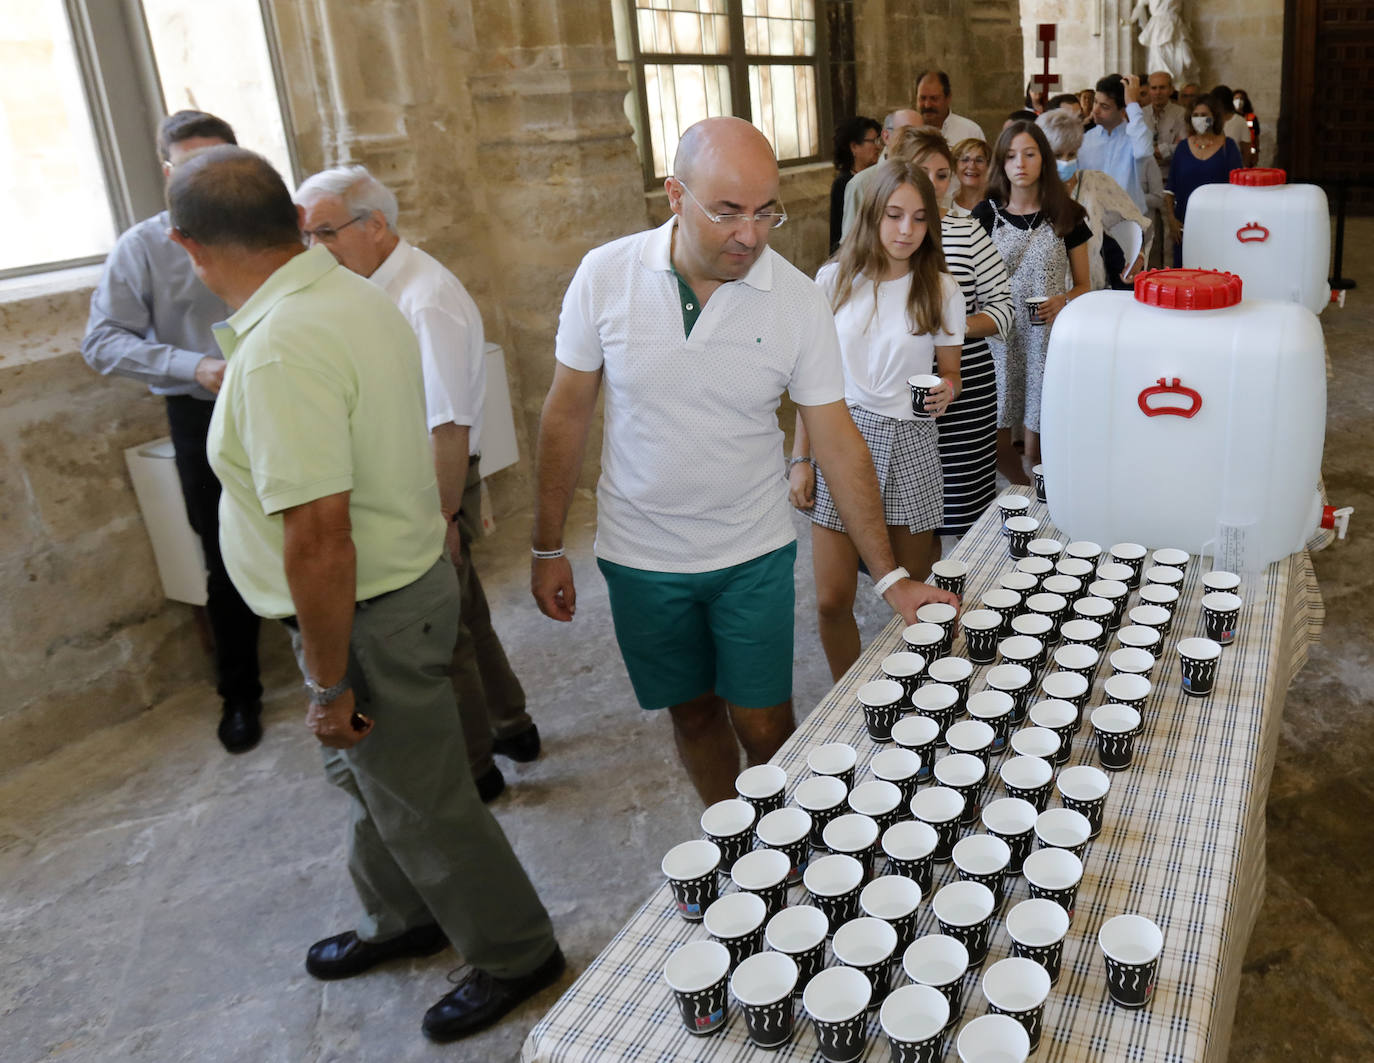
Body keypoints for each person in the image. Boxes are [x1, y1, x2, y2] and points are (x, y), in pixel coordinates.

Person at [169, 146, 564, 1043]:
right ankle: (404, 915)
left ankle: (515, 948)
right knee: (371, 780)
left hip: (369, 609)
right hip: (394, 582)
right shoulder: (350, 290)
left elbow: (318, 536)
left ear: (190, 245)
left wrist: (327, 679)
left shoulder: (282, 347)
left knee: (425, 796)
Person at [531, 117, 955, 806]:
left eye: (766, 212)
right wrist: (546, 543)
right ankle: (731, 840)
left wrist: (892, 576)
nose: (751, 235)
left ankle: (776, 834)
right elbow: (566, 411)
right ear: (675, 195)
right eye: (727, 212)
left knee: (765, 723)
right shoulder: (605, 276)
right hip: (642, 554)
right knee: (693, 712)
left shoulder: (795, 299)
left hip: (750, 552)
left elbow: (838, 436)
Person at [294, 164, 538, 805]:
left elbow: (448, 426)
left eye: (325, 233)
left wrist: (441, 519)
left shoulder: (420, 298)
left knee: (444, 637)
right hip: (426, 485)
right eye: (306, 236)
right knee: (469, 617)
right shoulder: (377, 285)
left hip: (435, 486)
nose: (314, 250)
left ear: (375, 225)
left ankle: (477, 768)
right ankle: (514, 726)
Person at [81, 110, 265, 755]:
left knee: (319, 522)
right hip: (201, 411)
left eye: (219, 162)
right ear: (168, 173)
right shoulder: (142, 246)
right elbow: (101, 341)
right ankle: (240, 694)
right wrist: (195, 366)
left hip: (282, 397)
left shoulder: (275, 222)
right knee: (223, 553)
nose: (207, 177)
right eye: (191, 166)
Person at [787, 161, 964, 681]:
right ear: (871, 215)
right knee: (830, 599)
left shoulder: (940, 289)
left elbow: (950, 374)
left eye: (918, 218)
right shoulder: (833, 280)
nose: (906, 230)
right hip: (840, 434)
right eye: (893, 215)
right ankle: (849, 695)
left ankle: (922, 690)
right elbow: (809, 382)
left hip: (910, 440)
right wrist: (801, 458)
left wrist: (945, 393)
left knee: (912, 593)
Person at [973, 121, 1092, 484]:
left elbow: (1087, 284)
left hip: (1045, 339)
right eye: (1010, 156)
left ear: (1044, 159)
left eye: (1029, 154)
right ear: (1001, 164)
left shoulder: (1065, 214)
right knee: (995, 426)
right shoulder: (984, 215)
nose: (1020, 164)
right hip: (998, 338)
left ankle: (1043, 491)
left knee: (1040, 430)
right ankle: (1019, 487)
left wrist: (1064, 299)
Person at [909, 133, 1012, 539]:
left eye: (940, 174)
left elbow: (1003, 310)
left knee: (963, 510)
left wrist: (952, 327)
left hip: (965, 389)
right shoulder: (888, 233)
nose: (932, 183)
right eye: (922, 172)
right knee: (913, 515)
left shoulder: (966, 231)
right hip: (900, 389)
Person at [1038, 109, 1151, 291]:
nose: (1066, 162)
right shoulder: (1030, 191)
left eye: (1072, 154)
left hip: (1090, 291)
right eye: (1058, 155)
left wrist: (1137, 257)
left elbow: (1135, 223)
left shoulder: (1094, 183)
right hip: (1044, 297)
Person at [1164, 94, 1243, 265]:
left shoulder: (1228, 147)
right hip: (1185, 226)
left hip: (1219, 224)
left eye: (1204, 115)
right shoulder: (1183, 147)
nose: (1200, 119)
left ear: (1214, 117)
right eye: (1196, 115)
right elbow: (1170, 189)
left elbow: (1239, 189)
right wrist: (1171, 219)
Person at [1079, 74, 1153, 215]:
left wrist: (1132, 103)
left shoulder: (1135, 137)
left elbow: (1144, 150)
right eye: (1095, 102)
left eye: (1104, 106)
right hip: (1091, 220)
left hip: (1127, 221)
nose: (1095, 110)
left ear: (1123, 110)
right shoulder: (1085, 139)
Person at [842, 108, 923, 237]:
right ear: (886, 136)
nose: (915, 141)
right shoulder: (861, 184)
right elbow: (850, 241)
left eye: (921, 135)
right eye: (908, 133)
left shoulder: (926, 178)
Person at [830, 116, 883, 251]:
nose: (878, 147)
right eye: (873, 141)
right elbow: (839, 231)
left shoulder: (881, 177)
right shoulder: (844, 183)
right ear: (854, 147)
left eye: (879, 140)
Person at [916, 70, 986, 145]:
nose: (927, 105)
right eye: (922, 98)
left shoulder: (970, 132)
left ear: (948, 98)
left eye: (934, 98)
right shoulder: (908, 132)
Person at [1143, 71, 1187, 176]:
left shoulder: (1182, 114)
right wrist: (1168, 149)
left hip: (1171, 175)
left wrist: (1156, 151)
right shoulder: (1140, 114)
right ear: (1149, 90)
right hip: (1145, 176)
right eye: (1154, 88)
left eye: (1162, 88)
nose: (1158, 92)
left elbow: (1184, 147)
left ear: (1171, 90)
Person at [1211, 84, 1253, 168]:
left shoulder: (1240, 121)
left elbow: (1246, 150)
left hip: (1233, 167)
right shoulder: (1210, 120)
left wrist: (1244, 169)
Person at [951, 137, 991, 215]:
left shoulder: (1000, 207)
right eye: (965, 160)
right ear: (955, 166)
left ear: (989, 166)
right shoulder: (944, 204)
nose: (972, 166)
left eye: (979, 160)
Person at [1233, 89, 1260, 159]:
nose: (1238, 101)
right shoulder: (1229, 118)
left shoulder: (1252, 118)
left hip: (1248, 155)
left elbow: (1256, 138)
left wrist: (1255, 153)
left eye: (1241, 99)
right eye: (1236, 99)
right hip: (1233, 154)